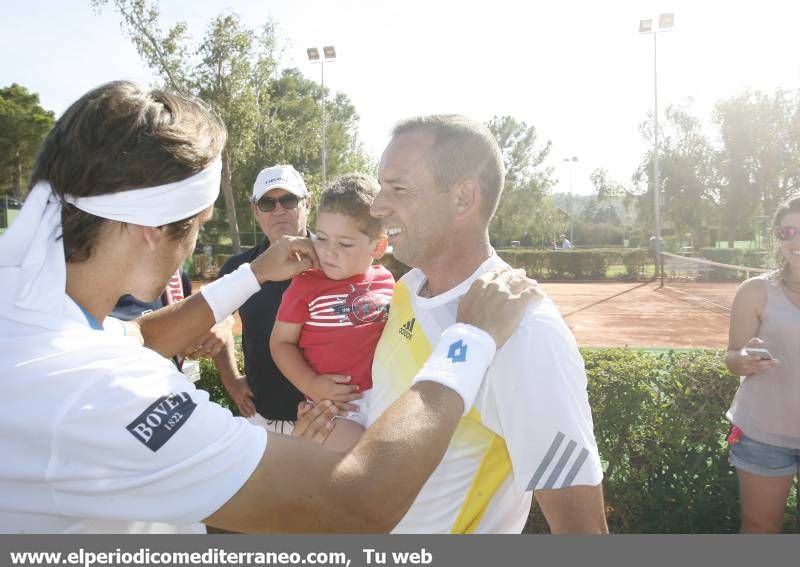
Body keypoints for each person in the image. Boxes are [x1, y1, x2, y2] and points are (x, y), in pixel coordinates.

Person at [0, 81, 539, 534]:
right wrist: (470, 341)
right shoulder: (106, 396)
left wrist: (254, 274)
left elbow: (137, 339)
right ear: (150, 232)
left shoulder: (29, 308)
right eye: (197, 226)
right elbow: (359, 502)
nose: (192, 246)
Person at [352, 115, 607, 533]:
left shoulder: (526, 333)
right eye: (381, 187)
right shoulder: (407, 288)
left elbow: (583, 533)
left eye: (397, 189)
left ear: (463, 198)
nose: (378, 206)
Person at [271, 173, 393, 451]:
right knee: (356, 465)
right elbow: (280, 343)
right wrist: (312, 384)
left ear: (379, 246)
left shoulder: (387, 281)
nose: (328, 252)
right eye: (322, 238)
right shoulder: (305, 283)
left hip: (387, 399)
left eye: (345, 243)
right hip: (335, 407)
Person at [212, 164, 316, 434]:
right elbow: (215, 324)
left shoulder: (336, 261)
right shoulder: (239, 269)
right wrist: (231, 379)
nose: (279, 209)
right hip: (261, 419)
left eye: (288, 199)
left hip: (326, 418)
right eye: (268, 203)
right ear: (255, 211)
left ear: (308, 203)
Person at [724, 195, 800, 533]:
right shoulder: (755, 291)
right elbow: (732, 356)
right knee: (759, 529)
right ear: (778, 237)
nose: (795, 241)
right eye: (788, 232)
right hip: (763, 436)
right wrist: (743, 360)